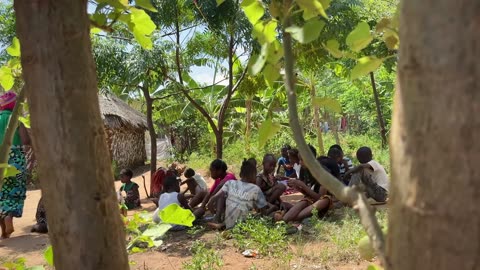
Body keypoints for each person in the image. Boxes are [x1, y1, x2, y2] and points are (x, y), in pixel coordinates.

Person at [0, 91, 31, 239]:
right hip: (16, 157)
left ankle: (3, 230)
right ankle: (9, 218)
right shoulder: (17, 119)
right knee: (14, 188)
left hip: (1, 157)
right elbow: (25, 140)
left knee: (2, 190)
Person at [208, 159, 270, 229]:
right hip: (243, 225)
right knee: (256, 215)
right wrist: (263, 218)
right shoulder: (255, 189)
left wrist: (214, 212)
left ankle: (223, 224)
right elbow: (263, 208)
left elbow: (212, 200)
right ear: (253, 175)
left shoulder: (230, 183)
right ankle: (226, 225)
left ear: (240, 174)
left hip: (228, 222)